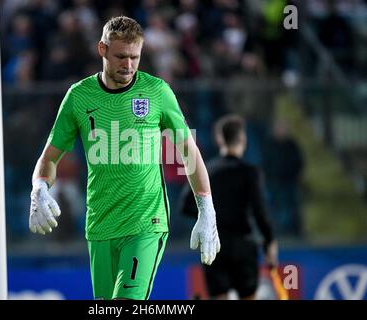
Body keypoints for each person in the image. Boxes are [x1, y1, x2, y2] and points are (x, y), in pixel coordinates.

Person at [28, 16, 220, 300]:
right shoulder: (78, 97)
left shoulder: (157, 91)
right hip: (100, 226)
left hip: (146, 223)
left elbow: (188, 152)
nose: (128, 65)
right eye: (120, 56)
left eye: (134, 57)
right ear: (102, 49)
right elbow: (50, 157)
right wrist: (40, 188)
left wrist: (207, 210)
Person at [180, 114, 277, 300]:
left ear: (219, 139)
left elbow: (185, 205)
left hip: (215, 244)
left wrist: (212, 217)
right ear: (243, 139)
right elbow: (260, 211)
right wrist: (270, 242)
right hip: (244, 245)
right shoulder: (250, 173)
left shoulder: (207, 171)